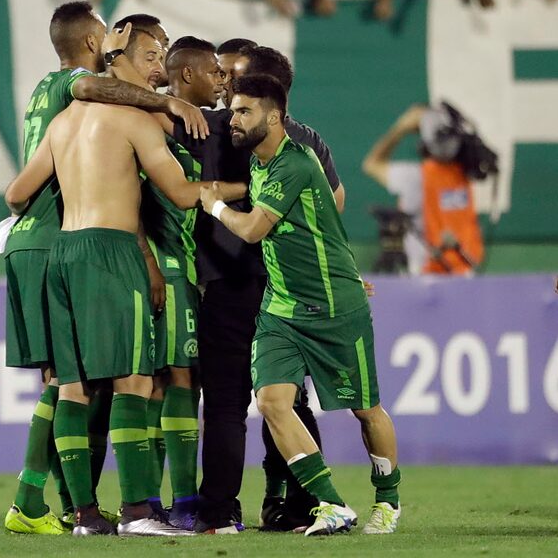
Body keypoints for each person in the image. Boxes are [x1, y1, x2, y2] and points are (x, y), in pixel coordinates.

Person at [4, 30, 243, 536]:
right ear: (127, 65)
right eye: (152, 56)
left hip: (61, 253)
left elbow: (17, 192)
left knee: (73, 385)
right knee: (133, 379)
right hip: (111, 253)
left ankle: (86, 516)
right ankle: (139, 511)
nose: (159, 65)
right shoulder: (136, 119)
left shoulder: (64, 121)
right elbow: (180, 194)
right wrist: (244, 187)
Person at [200, 74, 403, 536]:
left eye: (244, 111)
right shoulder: (258, 163)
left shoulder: (294, 162)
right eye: (233, 110)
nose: (234, 118)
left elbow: (253, 229)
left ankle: (388, 500)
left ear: (274, 116)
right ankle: (331, 504)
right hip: (281, 309)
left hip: (334, 307)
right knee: (271, 400)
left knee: (366, 410)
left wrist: (211, 204)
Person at [171, 39, 343, 534]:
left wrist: (174, 101)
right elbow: (334, 203)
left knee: (227, 401)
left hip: (232, 281)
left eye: (234, 79)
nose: (226, 87)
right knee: (288, 400)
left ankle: (220, 509)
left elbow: (146, 119)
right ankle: (297, 504)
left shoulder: (218, 125)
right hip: (292, 288)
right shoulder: (307, 141)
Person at [140, 36, 225, 530]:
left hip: (186, 269)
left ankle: (153, 501)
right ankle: (179, 502)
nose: (220, 79)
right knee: (176, 382)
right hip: (169, 271)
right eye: (213, 71)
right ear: (187, 75)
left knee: (162, 384)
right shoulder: (157, 125)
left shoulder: (198, 128)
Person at [362, 102, 486, 275]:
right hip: (465, 273)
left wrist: (400, 129)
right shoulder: (464, 174)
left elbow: (371, 164)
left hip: (427, 276)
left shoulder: (417, 177)